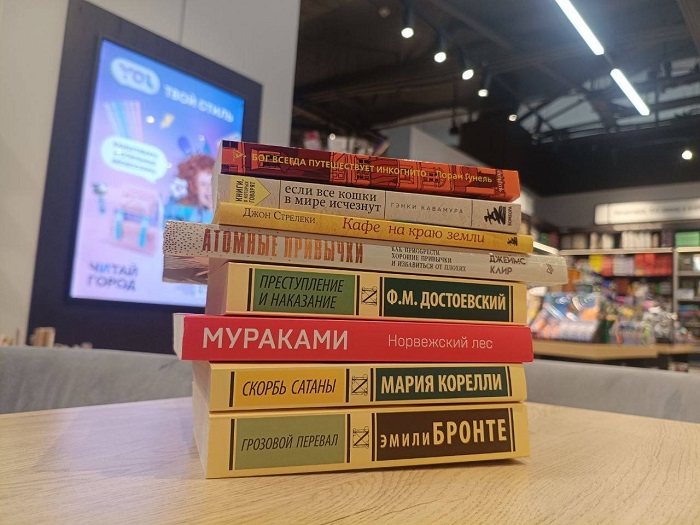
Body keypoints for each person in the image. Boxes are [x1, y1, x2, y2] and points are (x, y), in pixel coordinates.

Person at [166, 154, 214, 223]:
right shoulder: (182, 212)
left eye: (212, 183)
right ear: (193, 186)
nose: (209, 189)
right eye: (203, 184)